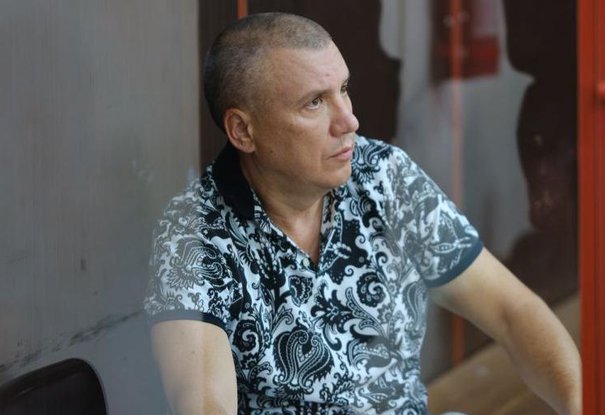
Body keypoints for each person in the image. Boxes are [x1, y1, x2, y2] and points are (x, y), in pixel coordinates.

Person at [144, 12, 581, 415]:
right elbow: (205, 405)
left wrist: (580, 404)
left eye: (344, 90)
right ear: (243, 131)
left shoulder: (382, 176)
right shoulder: (196, 235)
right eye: (314, 103)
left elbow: (512, 312)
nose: (349, 121)